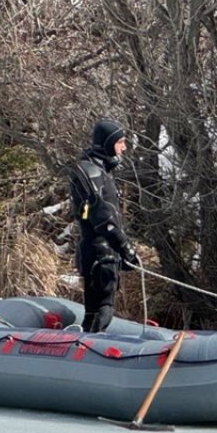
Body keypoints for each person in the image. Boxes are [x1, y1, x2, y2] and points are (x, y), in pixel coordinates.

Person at [68, 119, 140, 333]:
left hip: (106, 251)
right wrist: (124, 246)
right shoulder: (90, 171)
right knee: (102, 310)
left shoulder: (102, 170)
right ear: (109, 143)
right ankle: (87, 348)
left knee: (98, 310)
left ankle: (86, 342)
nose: (124, 148)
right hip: (99, 252)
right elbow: (101, 216)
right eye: (121, 142)